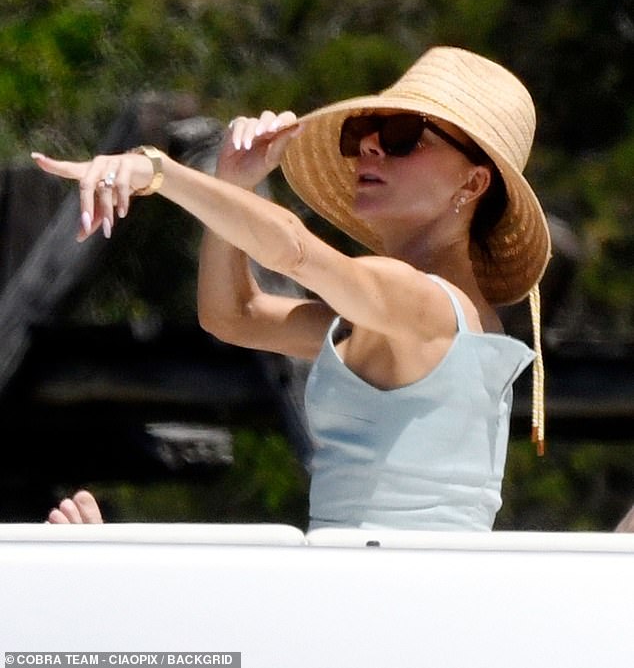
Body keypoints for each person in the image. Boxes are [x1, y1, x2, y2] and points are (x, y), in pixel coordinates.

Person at [34, 46, 551, 531]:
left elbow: (294, 251)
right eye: (363, 131)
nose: (370, 145)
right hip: (396, 598)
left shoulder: (423, 303)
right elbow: (234, 314)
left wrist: (159, 171)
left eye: (401, 135)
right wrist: (234, 186)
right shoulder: (421, 318)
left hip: (383, 602)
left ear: (473, 183)